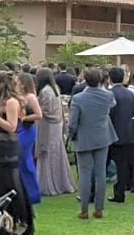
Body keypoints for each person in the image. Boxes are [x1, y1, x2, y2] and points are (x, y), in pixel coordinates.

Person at [0, 72, 35, 235]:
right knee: (0, 185)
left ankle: (23, 221)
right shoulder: (2, 102)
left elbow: (11, 126)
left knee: (13, 184)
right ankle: (7, 220)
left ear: (1, 84)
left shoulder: (12, 102)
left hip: (9, 148)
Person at [68, 68, 118, 220]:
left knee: (84, 174)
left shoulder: (78, 98)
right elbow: (113, 105)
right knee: (100, 173)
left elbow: (72, 123)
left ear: (84, 79)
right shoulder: (108, 95)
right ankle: (99, 209)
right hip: (102, 137)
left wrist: (71, 135)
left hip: (83, 138)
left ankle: (84, 210)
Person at [34, 68, 75, 196]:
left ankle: (48, 184)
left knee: (47, 152)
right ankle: (61, 181)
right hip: (57, 124)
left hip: (48, 126)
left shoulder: (45, 91)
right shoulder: (55, 88)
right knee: (57, 153)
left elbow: (44, 111)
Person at [108, 67, 134, 203]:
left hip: (111, 134)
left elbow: (108, 115)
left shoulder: (109, 94)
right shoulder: (130, 94)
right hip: (127, 133)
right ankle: (121, 192)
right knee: (122, 165)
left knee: (103, 164)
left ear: (109, 78)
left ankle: (94, 192)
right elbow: (133, 113)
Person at [14, 73, 43, 206]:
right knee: (22, 161)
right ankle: (23, 190)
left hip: (27, 130)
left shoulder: (30, 97)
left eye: (18, 81)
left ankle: (33, 193)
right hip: (20, 129)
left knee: (26, 160)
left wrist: (23, 118)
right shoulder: (18, 97)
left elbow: (39, 114)